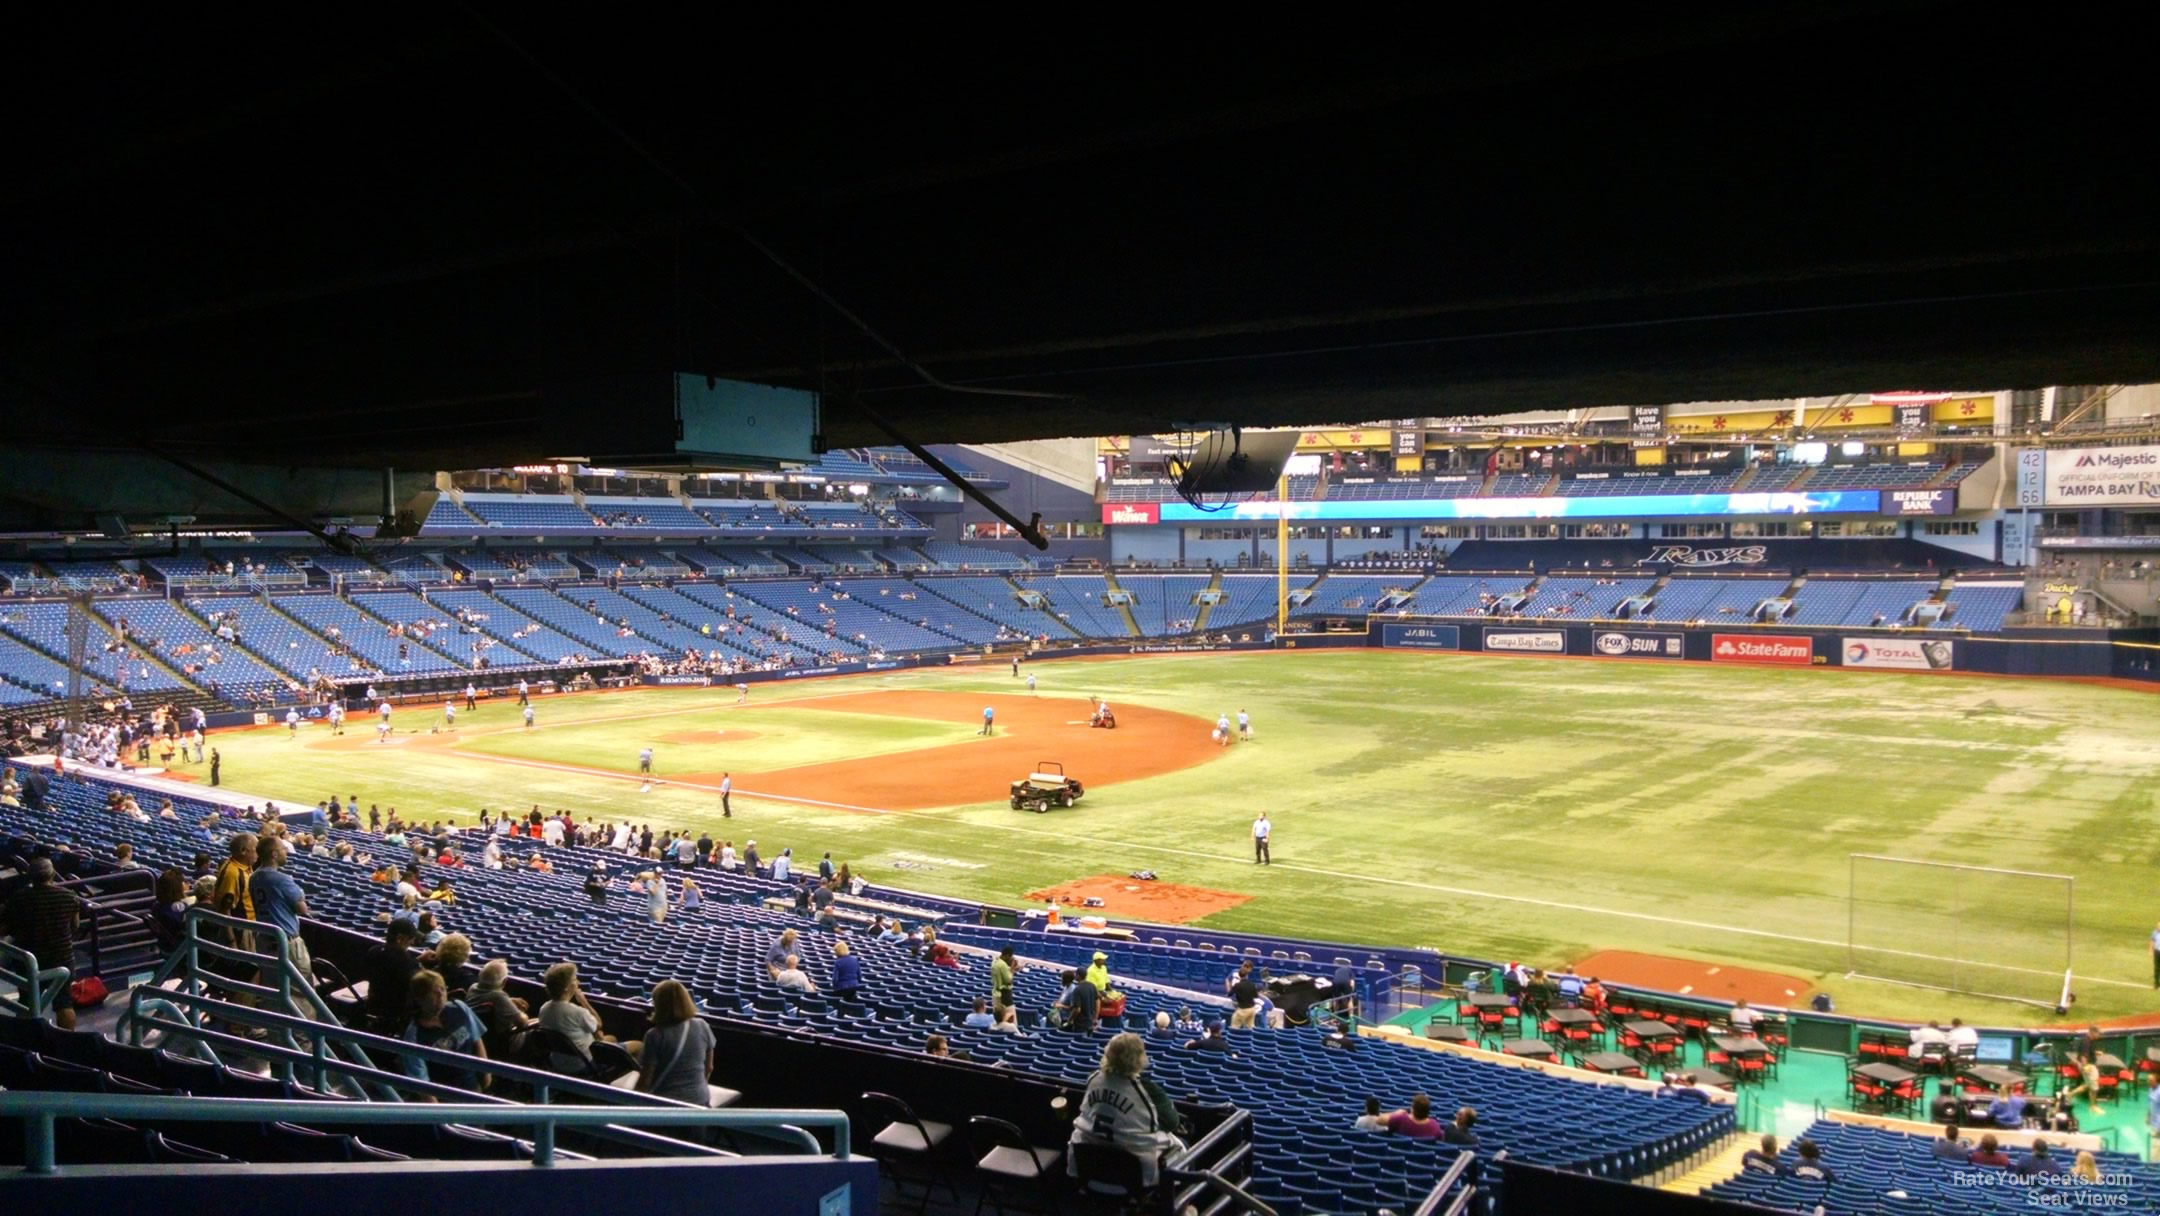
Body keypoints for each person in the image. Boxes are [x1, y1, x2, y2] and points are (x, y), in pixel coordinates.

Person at [1067, 1032, 1185, 1188]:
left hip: (1090, 1163)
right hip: (1134, 1172)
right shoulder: (1148, 1090)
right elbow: (1172, 1122)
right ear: (1138, 1059)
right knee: (1184, 1146)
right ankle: (1181, 1206)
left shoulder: (1094, 1078)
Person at [4, 858, 84, 1029]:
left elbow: (6, 927)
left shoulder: (18, 898)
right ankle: (66, 1043)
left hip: (28, 959)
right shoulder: (69, 896)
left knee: (26, 1001)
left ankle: (26, 1044)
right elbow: (75, 926)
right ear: (53, 874)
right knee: (64, 1003)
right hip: (62, 958)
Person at [400, 969, 487, 1094]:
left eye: (443, 989)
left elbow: (477, 1039)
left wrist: (485, 1074)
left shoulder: (459, 1007)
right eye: (434, 992)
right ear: (420, 999)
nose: (441, 994)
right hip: (445, 1096)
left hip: (473, 1086)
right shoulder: (414, 1036)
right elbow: (422, 1083)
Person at [539, 962, 638, 1067]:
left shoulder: (544, 1008)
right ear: (566, 987)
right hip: (583, 1063)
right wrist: (583, 1001)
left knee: (612, 1038)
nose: (578, 982)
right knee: (639, 1045)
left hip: (558, 1061)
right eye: (574, 979)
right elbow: (598, 1024)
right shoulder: (577, 1012)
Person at [635, 980, 717, 1106]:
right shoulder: (702, 1025)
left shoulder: (654, 1035)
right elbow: (709, 1067)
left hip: (665, 1104)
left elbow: (645, 1081)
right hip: (700, 1101)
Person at [248, 837, 314, 981]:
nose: (286, 852)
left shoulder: (254, 877)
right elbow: (302, 909)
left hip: (264, 940)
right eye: (283, 849)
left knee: (273, 987)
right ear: (274, 854)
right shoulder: (281, 879)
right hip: (286, 943)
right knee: (300, 989)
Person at [465, 959, 534, 1061]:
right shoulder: (498, 997)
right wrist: (522, 1013)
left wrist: (509, 1001)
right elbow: (522, 1022)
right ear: (505, 981)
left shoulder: (473, 988)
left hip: (483, 1039)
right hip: (506, 1042)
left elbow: (487, 998)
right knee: (538, 1026)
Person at [364, 919, 422, 1033]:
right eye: (410, 939)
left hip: (374, 1005)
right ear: (400, 938)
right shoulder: (408, 963)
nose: (412, 942)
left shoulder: (374, 951)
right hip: (397, 1014)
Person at [991, 946, 1017, 1015]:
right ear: (1007, 955)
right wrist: (1013, 968)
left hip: (995, 993)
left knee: (998, 1018)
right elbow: (1009, 980)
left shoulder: (994, 962)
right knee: (1009, 1017)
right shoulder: (1002, 965)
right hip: (1004, 995)